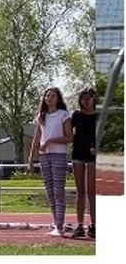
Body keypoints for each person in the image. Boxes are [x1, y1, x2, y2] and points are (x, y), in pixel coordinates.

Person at [29, 86, 72, 237]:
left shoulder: (63, 114)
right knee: (50, 192)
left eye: (53, 96)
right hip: (44, 157)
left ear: (58, 99)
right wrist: (31, 160)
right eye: (47, 95)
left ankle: (60, 226)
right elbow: (36, 139)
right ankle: (56, 223)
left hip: (58, 155)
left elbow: (69, 137)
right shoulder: (42, 116)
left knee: (58, 191)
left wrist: (51, 141)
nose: (49, 98)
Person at [69, 87, 98, 238]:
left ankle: (94, 225)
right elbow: (67, 132)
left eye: (88, 98)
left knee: (92, 192)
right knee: (80, 191)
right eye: (83, 98)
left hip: (93, 156)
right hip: (78, 154)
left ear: (94, 99)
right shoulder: (77, 115)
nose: (86, 101)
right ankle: (80, 225)